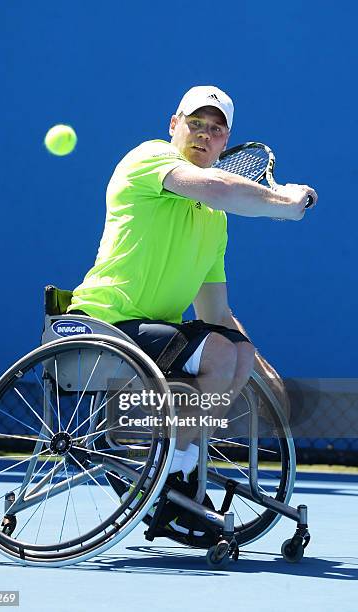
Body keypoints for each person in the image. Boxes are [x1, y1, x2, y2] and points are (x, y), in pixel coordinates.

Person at [68, 85, 318, 482]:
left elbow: (215, 312)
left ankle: (180, 470)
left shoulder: (214, 221)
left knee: (236, 350)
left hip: (149, 339)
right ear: (174, 125)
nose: (204, 133)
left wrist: (263, 374)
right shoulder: (148, 157)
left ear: (225, 141)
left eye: (216, 129)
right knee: (219, 352)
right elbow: (218, 186)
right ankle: (165, 473)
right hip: (100, 324)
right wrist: (285, 205)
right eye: (195, 122)